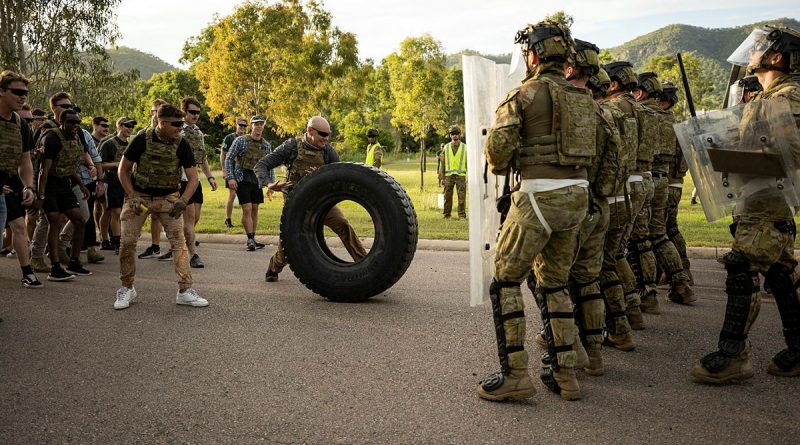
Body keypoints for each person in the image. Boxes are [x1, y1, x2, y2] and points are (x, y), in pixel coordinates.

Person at [476, 20, 595, 402]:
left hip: (537, 199)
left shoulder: (524, 94)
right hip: (576, 199)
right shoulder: (585, 100)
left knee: (505, 280)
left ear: (534, 54)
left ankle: (515, 376)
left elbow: (497, 153)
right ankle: (567, 376)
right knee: (555, 284)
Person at [691, 25, 800, 382]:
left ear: (776, 56)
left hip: (768, 202)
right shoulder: (769, 98)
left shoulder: (789, 96)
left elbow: (788, 156)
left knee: (742, 268)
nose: (750, 53)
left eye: (758, 48)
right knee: (781, 274)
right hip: (759, 199)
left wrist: (731, 157)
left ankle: (733, 355)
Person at [115, 103, 208, 310]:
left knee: (179, 242)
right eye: (176, 124)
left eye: (182, 124)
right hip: (140, 197)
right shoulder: (141, 139)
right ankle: (127, 288)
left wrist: (183, 200)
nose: (180, 128)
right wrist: (131, 196)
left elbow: (193, 178)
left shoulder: (182, 144)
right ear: (161, 122)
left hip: (168, 197)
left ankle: (185, 290)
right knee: (128, 242)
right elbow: (123, 170)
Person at [254, 116, 367, 282]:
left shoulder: (329, 152)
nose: (326, 138)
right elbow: (261, 165)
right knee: (287, 248)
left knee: (343, 225)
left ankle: (365, 265)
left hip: (321, 201)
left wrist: (320, 175)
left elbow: (337, 180)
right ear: (310, 131)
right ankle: (274, 266)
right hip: (296, 204)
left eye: (328, 134)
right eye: (322, 134)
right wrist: (269, 184)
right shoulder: (291, 147)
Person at [634, 72, 694, 310]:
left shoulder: (644, 115)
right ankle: (681, 280)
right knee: (661, 233)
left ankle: (650, 290)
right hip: (665, 181)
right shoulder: (673, 123)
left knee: (645, 239)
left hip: (648, 179)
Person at [601, 61, 646, 347]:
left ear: (614, 84)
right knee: (618, 254)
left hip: (616, 188)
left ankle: (618, 325)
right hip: (636, 184)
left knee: (605, 260)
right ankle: (632, 310)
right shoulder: (642, 110)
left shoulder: (612, 109)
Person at [35, 108, 92, 280]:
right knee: (55, 222)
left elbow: (67, 164)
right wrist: (40, 196)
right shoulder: (52, 138)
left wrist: (81, 185)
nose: (75, 125)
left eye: (78, 122)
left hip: (65, 184)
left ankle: (74, 262)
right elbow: (44, 171)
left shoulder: (75, 137)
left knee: (80, 220)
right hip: (50, 186)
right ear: (62, 122)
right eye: (71, 122)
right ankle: (55, 268)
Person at [160, 97, 217, 268]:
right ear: (183, 112)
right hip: (182, 180)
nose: (196, 116)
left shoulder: (198, 133)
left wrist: (210, 176)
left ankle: (177, 243)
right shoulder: (176, 131)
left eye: (198, 113)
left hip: (195, 180)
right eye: (192, 112)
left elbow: (203, 157)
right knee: (190, 219)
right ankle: (193, 255)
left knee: (194, 218)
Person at [0, 70, 41, 287]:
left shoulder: (19, 123)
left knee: (19, 225)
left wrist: (29, 186)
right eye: (17, 92)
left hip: (8, 181)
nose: (22, 96)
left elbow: (25, 160)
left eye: (25, 92)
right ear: (1, 91)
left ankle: (27, 272)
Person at [658, 82, 693, 286]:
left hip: (667, 183)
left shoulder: (662, 125)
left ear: (663, 102)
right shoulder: (678, 127)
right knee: (670, 227)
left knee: (664, 230)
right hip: (676, 184)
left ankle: (679, 272)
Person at [225, 115, 271, 251]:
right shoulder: (240, 141)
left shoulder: (266, 145)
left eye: (261, 124)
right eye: (256, 124)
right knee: (247, 208)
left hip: (257, 180)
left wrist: (270, 184)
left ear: (263, 126)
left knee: (255, 209)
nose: (259, 126)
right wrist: (231, 177)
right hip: (242, 177)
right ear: (251, 126)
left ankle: (253, 237)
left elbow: (269, 165)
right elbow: (229, 158)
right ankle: (250, 239)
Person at [136, 98, 168, 260]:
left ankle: (156, 247)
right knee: (140, 212)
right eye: (156, 111)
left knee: (157, 215)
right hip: (144, 185)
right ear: (151, 112)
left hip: (162, 184)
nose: (158, 115)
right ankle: (131, 239)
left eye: (161, 112)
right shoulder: (143, 134)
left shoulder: (169, 135)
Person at [99, 117, 136, 254]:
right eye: (127, 126)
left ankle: (120, 240)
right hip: (111, 182)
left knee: (125, 213)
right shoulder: (108, 144)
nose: (130, 129)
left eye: (131, 127)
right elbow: (100, 164)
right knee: (114, 212)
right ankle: (114, 241)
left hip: (126, 183)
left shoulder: (131, 145)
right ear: (119, 126)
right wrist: (116, 165)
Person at [221, 117, 248, 228]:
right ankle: (228, 219)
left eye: (244, 126)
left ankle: (245, 220)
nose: (242, 127)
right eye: (240, 125)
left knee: (245, 197)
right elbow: (223, 155)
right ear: (236, 125)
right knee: (232, 194)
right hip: (231, 170)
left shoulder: (247, 138)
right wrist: (225, 170)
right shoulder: (229, 138)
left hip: (243, 171)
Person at [438, 125, 467, 220]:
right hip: (448, 176)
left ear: (459, 135)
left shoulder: (465, 148)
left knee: (462, 197)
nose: (454, 135)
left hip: (461, 176)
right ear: (450, 135)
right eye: (452, 134)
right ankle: (446, 215)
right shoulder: (445, 147)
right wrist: (441, 178)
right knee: (447, 196)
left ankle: (462, 215)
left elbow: (469, 163)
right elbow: (442, 164)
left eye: (456, 134)